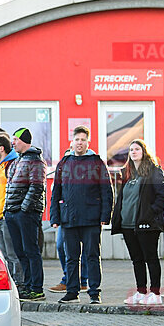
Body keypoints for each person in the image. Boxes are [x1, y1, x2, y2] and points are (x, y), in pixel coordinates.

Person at [50, 126, 113, 304]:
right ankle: (72, 292)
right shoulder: (64, 163)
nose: (80, 143)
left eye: (83, 140)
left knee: (92, 256)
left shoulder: (96, 162)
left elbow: (106, 190)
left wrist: (104, 216)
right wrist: (55, 217)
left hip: (91, 219)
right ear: (72, 142)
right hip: (69, 219)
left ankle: (94, 292)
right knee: (71, 258)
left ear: (88, 142)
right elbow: (57, 192)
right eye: (77, 139)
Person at [111, 140, 164, 305]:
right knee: (137, 260)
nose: (133, 152)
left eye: (137, 149)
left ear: (144, 151)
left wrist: (150, 214)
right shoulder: (128, 174)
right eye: (131, 150)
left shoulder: (153, 171)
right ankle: (141, 291)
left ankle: (155, 293)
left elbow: (162, 195)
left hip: (146, 224)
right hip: (128, 225)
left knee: (150, 258)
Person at [4, 128, 47, 301]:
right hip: (12, 212)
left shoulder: (35, 161)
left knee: (31, 251)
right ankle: (28, 286)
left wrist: (24, 209)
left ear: (24, 140)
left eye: (15, 139)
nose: (12, 142)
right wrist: (8, 210)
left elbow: (37, 187)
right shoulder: (17, 160)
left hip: (26, 214)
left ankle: (36, 288)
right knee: (21, 252)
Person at [0, 133, 23, 287]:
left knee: (12, 254)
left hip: (5, 216)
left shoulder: (11, 166)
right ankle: (8, 284)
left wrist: (6, 211)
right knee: (3, 255)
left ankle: (18, 283)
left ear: (1, 149)